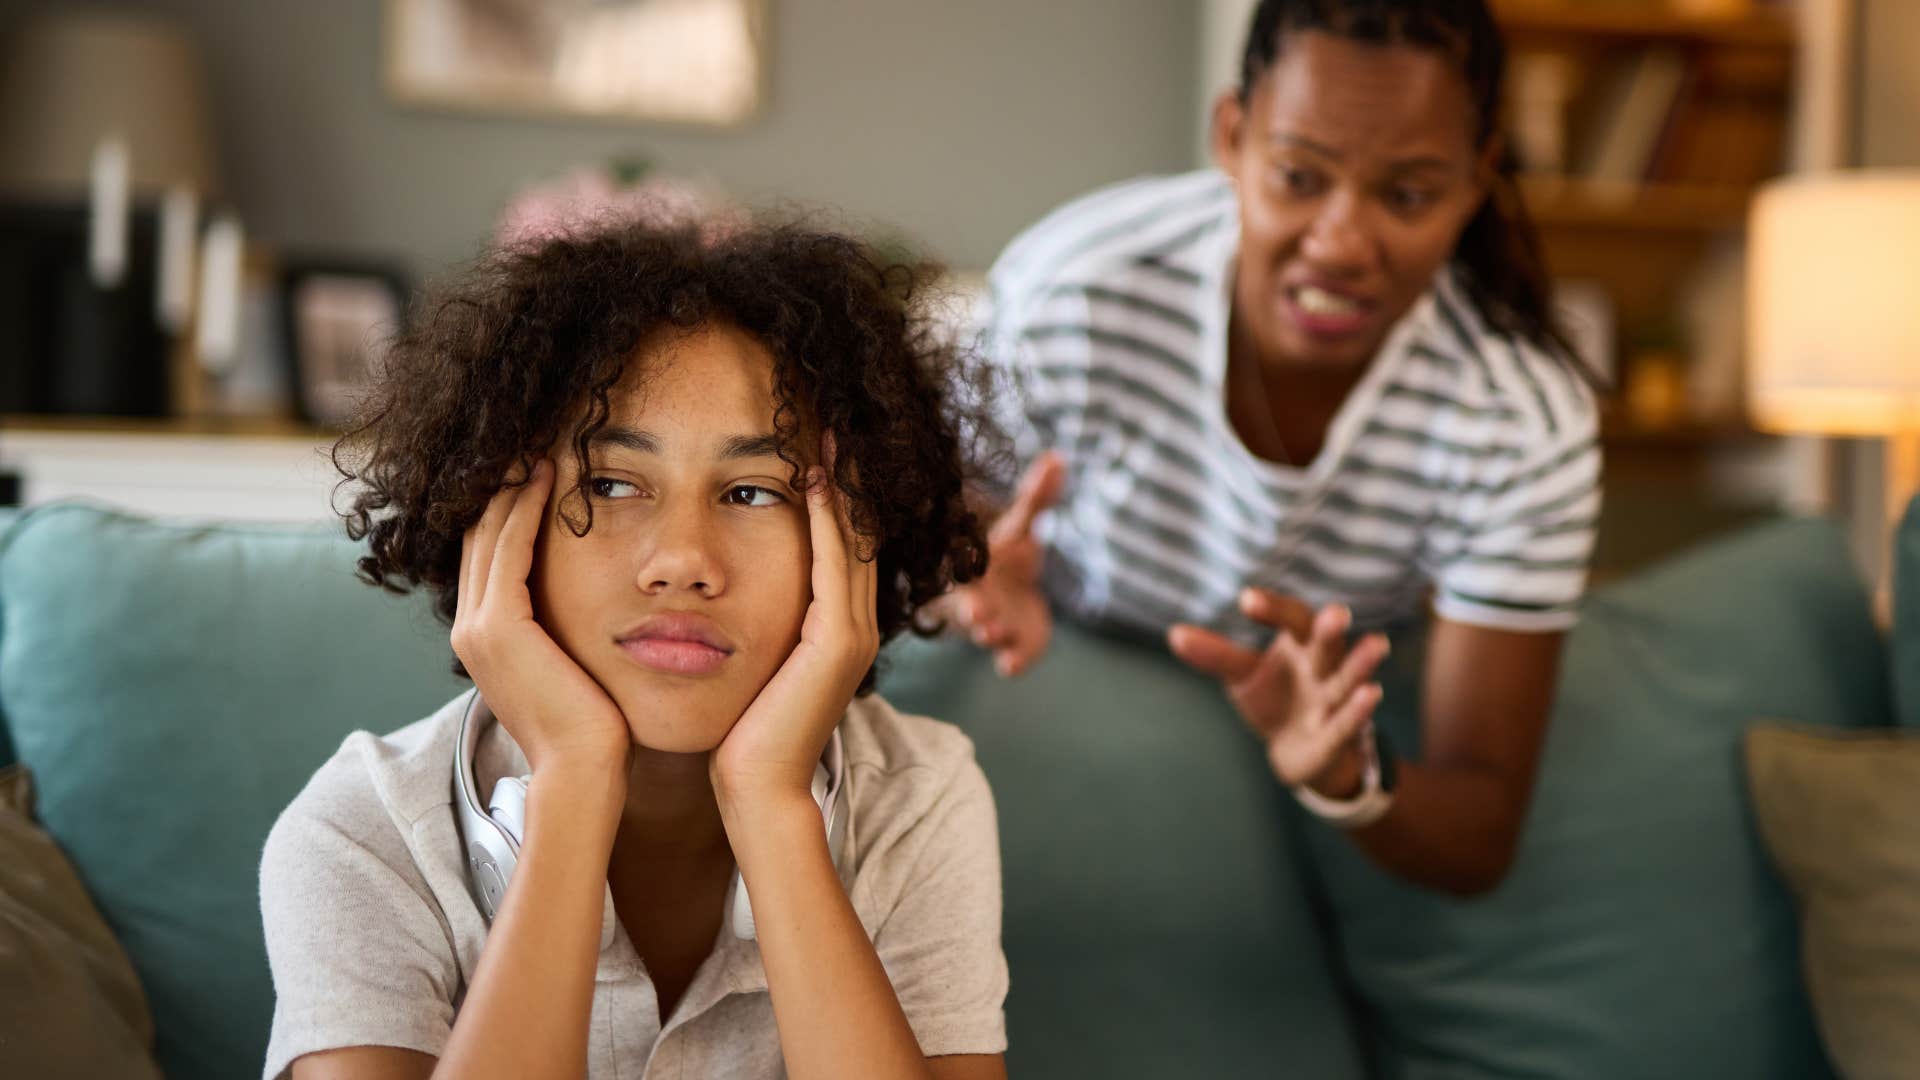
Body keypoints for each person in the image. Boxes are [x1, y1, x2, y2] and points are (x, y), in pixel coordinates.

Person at [259, 220, 1009, 1079]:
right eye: (611, 482)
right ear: (501, 525)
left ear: (852, 540)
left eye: (751, 491)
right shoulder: (364, 836)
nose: (683, 561)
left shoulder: (915, 799)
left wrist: (770, 803)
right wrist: (575, 782)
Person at [949, 0, 1601, 896]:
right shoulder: (1079, 291)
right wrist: (960, 567)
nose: (1339, 243)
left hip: (1289, 762)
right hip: (1053, 681)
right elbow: (938, 508)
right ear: (1232, 137)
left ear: (1478, 177)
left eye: (1407, 194)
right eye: (1299, 175)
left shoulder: (1519, 423)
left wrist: (1347, 779)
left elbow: (1477, 834)